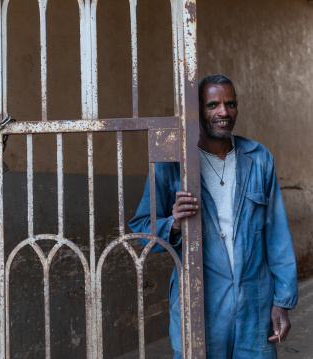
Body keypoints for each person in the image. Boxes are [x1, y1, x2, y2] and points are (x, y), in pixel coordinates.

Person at [128, 74, 298, 358]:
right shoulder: (172, 164)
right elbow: (141, 229)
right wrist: (174, 225)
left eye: (230, 104)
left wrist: (281, 301)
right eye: (213, 105)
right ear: (197, 111)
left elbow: (277, 234)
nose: (223, 112)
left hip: (254, 306)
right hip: (199, 304)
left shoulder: (258, 158)